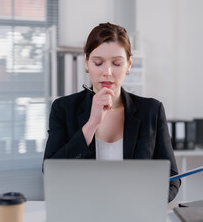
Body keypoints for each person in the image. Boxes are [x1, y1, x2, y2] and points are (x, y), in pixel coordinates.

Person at [43, 22, 180, 202]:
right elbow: (51, 170)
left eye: (116, 63)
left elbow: (171, 178)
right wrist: (91, 124)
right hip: (82, 213)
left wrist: (146, 201)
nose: (107, 72)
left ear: (129, 65)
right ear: (86, 63)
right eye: (98, 63)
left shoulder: (152, 110)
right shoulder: (63, 108)